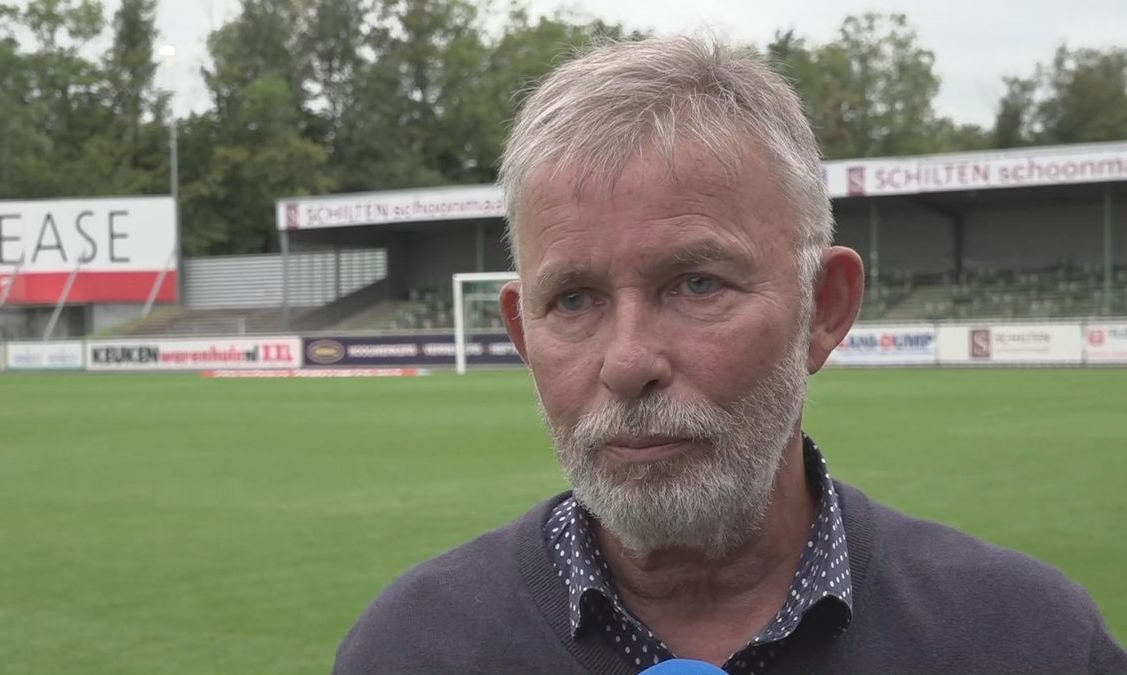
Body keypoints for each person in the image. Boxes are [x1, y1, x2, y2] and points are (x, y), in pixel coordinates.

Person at [333, 36, 1127, 674]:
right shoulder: (409, 649)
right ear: (519, 331)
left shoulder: (1028, 640)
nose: (628, 360)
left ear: (825, 308)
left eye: (697, 283)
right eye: (573, 300)